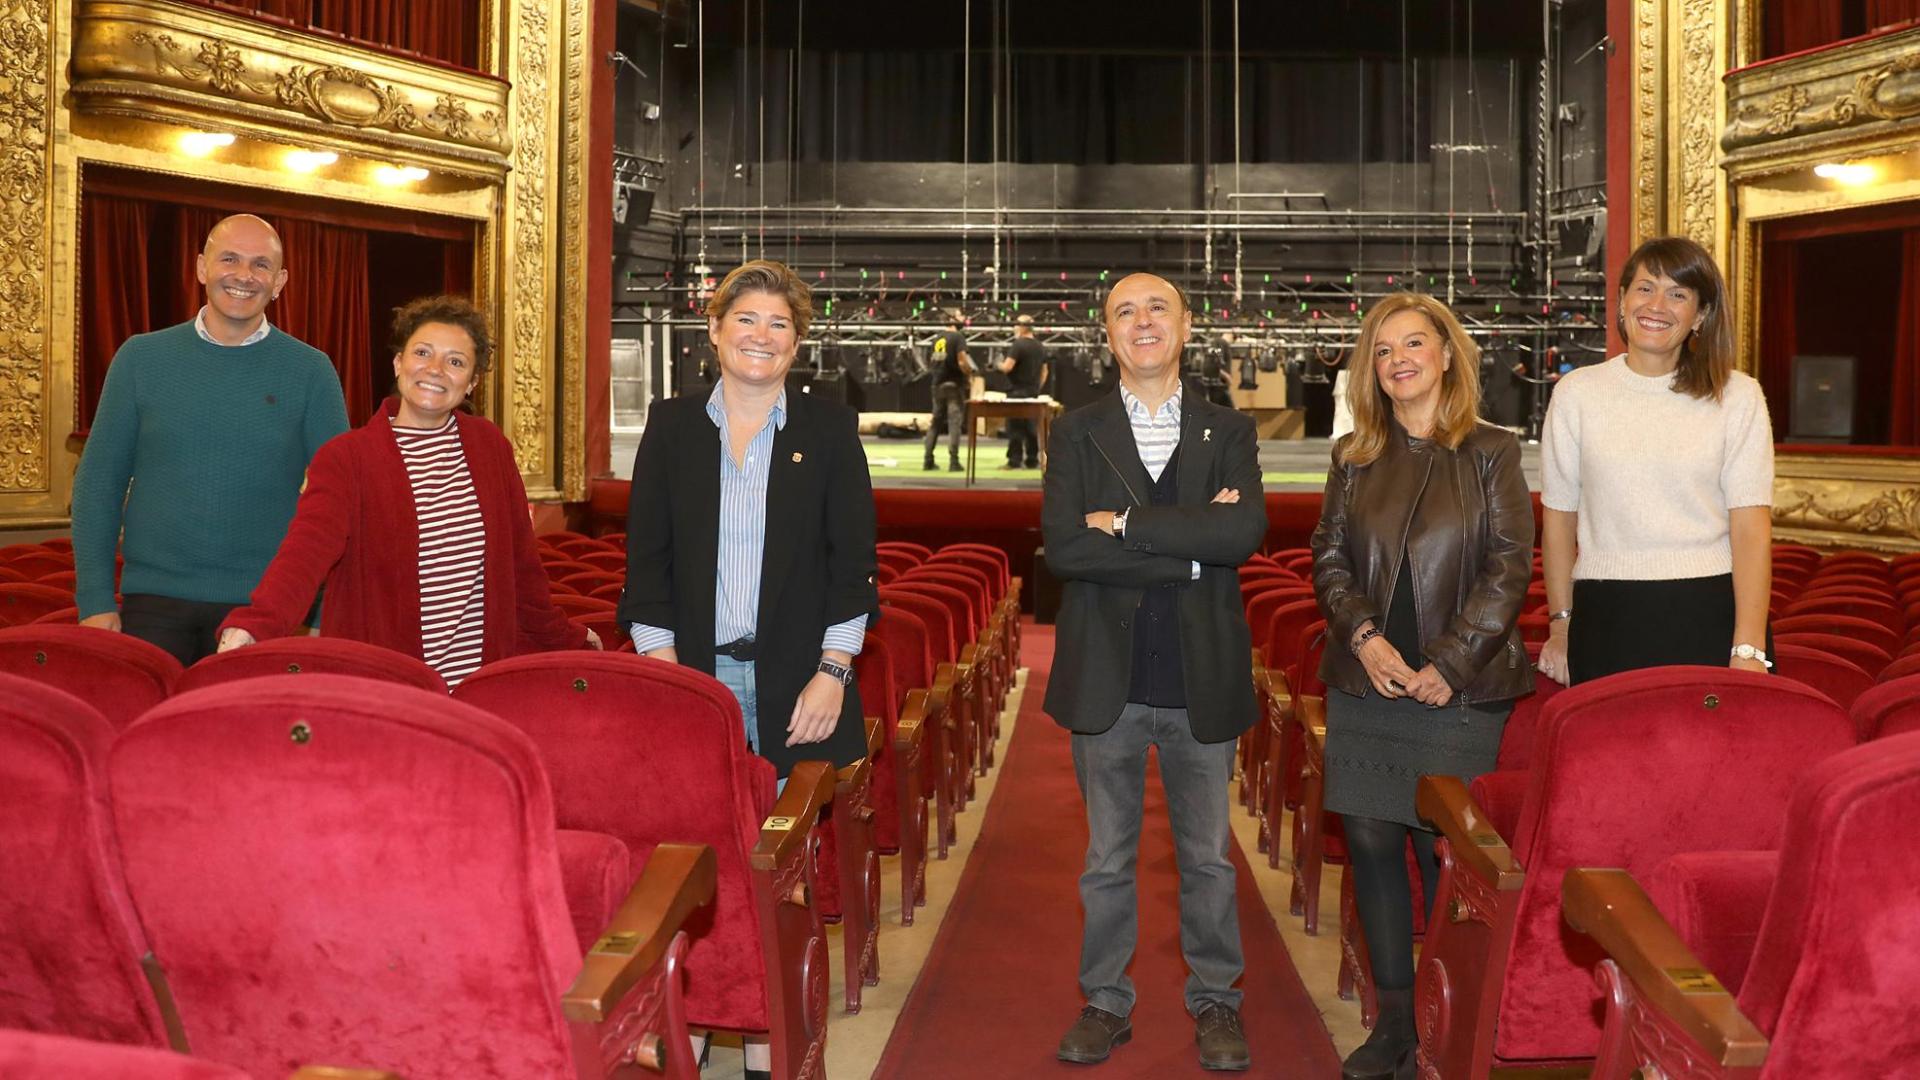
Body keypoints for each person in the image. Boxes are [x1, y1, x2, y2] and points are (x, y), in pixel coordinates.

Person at [1043, 272, 1266, 1072]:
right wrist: (1191, 554)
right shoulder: (1076, 431)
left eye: (1157, 308)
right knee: (1107, 861)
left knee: (1207, 859)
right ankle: (1106, 1002)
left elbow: (1241, 535)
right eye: (1124, 312)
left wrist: (1129, 527)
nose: (1142, 322)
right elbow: (1067, 549)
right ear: (1108, 334)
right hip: (1107, 680)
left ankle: (1216, 1003)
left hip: (1201, 678)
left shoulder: (1227, 429)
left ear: (1185, 324)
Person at [1309, 292, 1534, 1080]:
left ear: (1446, 354)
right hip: (1368, 679)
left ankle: (1454, 1015)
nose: (1398, 359)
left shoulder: (1494, 451)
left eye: (1414, 343)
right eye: (1381, 348)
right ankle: (1397, 1025)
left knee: (1448, 852)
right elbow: (1329, 561)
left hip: (1459, 690)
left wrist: (1452, 663)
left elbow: (1510, 568)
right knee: (1371, 842)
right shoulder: (1352, 456)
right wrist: (1365, 639)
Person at [215, 296, 594, 685]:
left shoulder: (489, 445)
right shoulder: (348, 458)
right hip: (387, 684)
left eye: (455, 361)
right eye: (423, 353)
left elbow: (522, 568)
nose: (436, 369)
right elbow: (305, 554)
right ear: (399, 363)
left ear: (472, 382)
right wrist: (253, 625)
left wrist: (570, 637)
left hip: (479, 685)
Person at [70, 214, 348, 666]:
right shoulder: (140, 358)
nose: (243, 275)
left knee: (246, 738)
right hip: (151, 606)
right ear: (201, 268)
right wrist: (95, 601)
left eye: (260, 265)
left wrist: (320, 607)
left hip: (267, 609)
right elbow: (98, 483)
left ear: (279, 282)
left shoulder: (311, 371)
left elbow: (338, 502)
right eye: (230, 259)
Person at [1536, 236, 1773, 686]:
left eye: (1678, 293)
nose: (1657, 305)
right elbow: (1559, 520)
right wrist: (1562, 626)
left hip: (1710, 614)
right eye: (1645, 288)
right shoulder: (1576, 393)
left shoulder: (1738, 396)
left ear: (1701, 314)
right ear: (1623, 300)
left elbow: (1751, 529)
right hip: (1606, 618)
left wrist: (1748, 647)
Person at [998, 313, 1049, 469]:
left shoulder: (1018, 345)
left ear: (1021, 327)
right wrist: (1036, 387)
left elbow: (1008, 367)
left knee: (1015, 427)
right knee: (1030, 427)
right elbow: (1045, 371)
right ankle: (1032, 459)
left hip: (1016, 392)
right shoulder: (1040, 346)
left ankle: (1014, 460)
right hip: (1032, 393)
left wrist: (997, 365)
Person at [924, 315, 973, 471]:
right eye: (960, 315)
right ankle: (954, 462)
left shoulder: (936, 338)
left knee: (935, 424)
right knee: (954, 424)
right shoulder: (958, 337)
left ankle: (928, 460)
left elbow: (930, 362)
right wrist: (969, 373)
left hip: (937, 384)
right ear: (952, 319)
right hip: (953, 384)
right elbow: (962, 360)